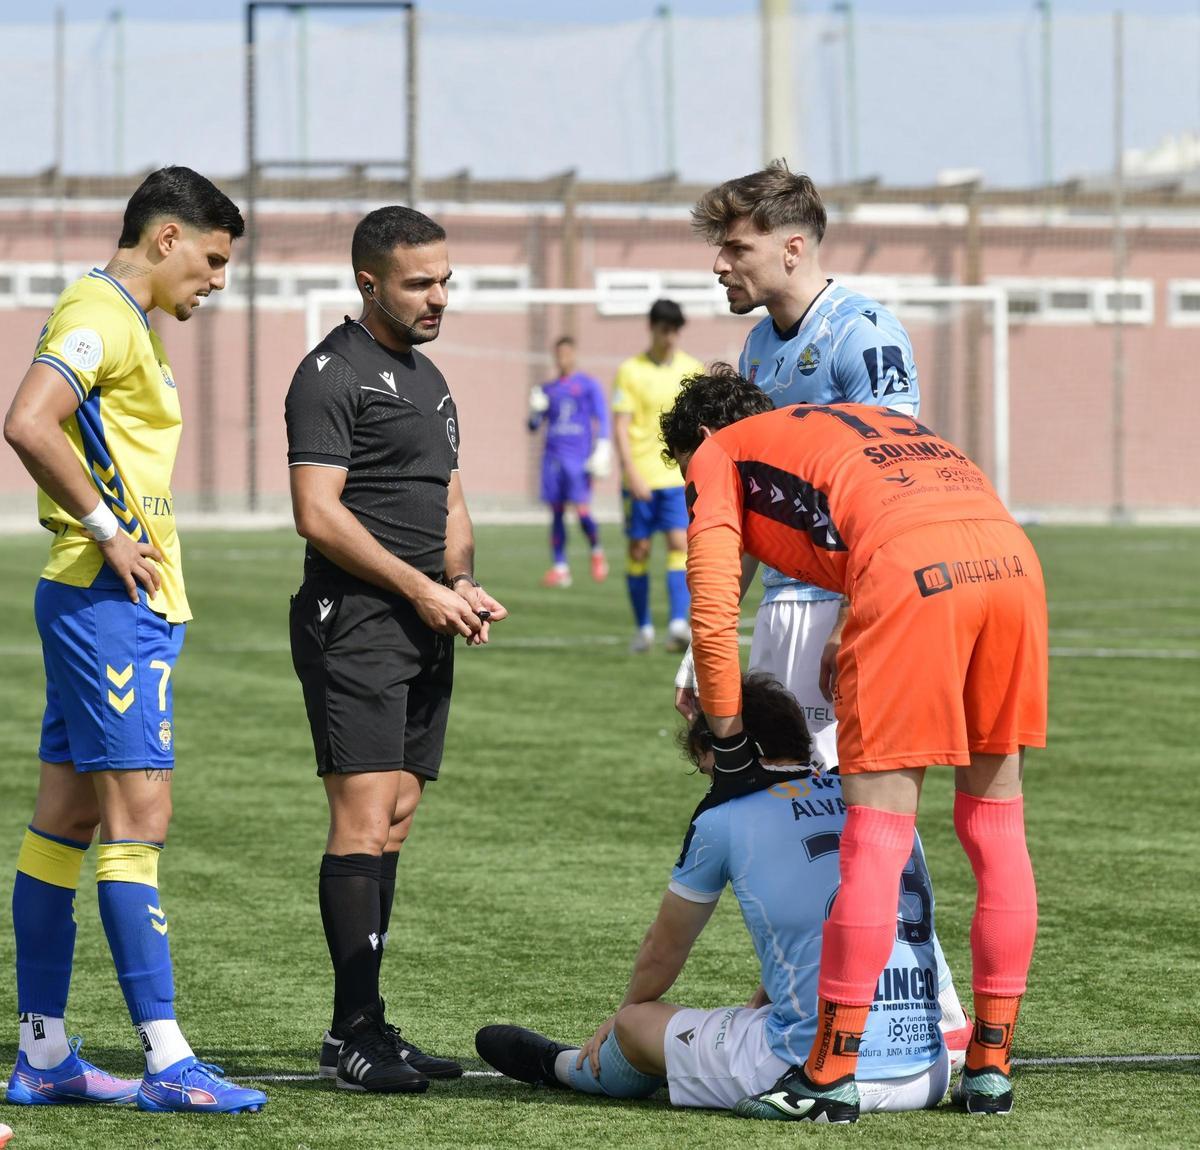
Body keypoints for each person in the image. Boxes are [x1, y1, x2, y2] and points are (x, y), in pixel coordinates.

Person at [659, 368, 1047, 1121]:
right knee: (996, 827)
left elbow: (711, 609)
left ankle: (830, 1074)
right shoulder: (832, 423)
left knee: (876, 834)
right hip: (1012, 561)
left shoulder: (717, 453)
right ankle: (992, 1066)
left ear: (699, 441)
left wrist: (729, 742)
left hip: (909, 571)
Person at [2, 166, 266, 1113]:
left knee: (66, 820)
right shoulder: (102, 313)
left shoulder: (129, 323)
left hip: (104, 600)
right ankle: (167, 1061)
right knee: (137, 820)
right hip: (107, 601)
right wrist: (109, 531)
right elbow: (27, 421)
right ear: (166, 239)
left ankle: (44, 1055)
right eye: (213, 259)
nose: (217, 280)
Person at [476, 673, 955, 1117]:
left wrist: (621, 1017)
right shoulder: (875, 802)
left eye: (709, 768)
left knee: (636, 1026)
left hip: (818, 1070)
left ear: (733, 750)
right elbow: (827, 927)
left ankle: (567, 1068)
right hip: (928, 1070)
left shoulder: (725, 818)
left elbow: (664, 950)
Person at [285, 205, 508, 1095]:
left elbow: (449, 499)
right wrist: (418, 588)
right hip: (357, 622)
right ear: (368, 283)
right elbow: (316, 513)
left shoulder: (431, 376)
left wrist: (460, 581)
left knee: (399, 812)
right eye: (420, 283)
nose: (438, 297)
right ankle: (353, 1032)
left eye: (446, 280)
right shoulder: (330, 374)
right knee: (363, 815)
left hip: (424, 621)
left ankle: (365, 1020)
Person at [677, 159, 920, 776]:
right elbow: (745, 505)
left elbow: (897, 490)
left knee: (853, 790)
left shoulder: (863, 335)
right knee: (780, 788)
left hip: (848, 602)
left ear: (792, 249)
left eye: (736, 247)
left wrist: (851, 619)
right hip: (780, 604)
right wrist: (704, 649)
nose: (719, 265)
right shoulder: (758, 348)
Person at [611, 299, 703, 652]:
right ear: (652, 329)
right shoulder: (630, 371)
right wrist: (631, 472)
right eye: (665, 329)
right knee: (639, 550)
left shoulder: (692, 368)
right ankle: (643, 628)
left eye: (676, 330)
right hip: (640, 478)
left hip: (676, 479)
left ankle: (678, 623)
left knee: (680, 544)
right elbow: (621, 426)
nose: (670, 337)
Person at [527, 335, 611, 587]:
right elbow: (533, 426)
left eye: (566, 353)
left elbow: (602, 416)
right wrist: (535, 411)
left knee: (582, 510)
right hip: (552, 458)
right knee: (556, 512)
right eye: (558, 354)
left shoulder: (587, 385)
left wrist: (602, 445)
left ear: (573, 355)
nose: (562, 359)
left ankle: (596, 551)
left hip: (578, 458)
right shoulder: (548, 389)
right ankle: (561, 568)